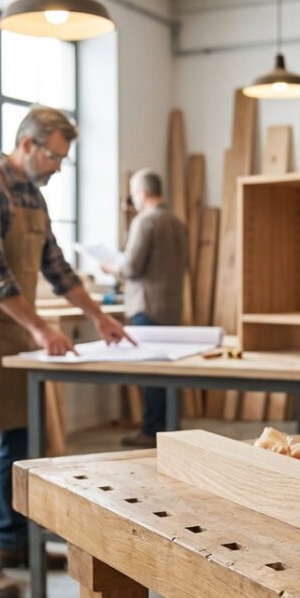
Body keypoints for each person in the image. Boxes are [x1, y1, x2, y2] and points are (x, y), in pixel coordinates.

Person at [0, 106, 133, 598]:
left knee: (17, 446)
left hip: (14, 332)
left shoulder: (31, 195)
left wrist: (99, 316)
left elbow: (57, 267)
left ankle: (13, 544)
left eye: (63, 159)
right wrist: (41, 327)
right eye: (53, 156)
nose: (57, 167)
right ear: (27, 145)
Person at [101, 169, 189, 448]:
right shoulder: (177, 222)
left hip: (147, 306)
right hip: (171, 306)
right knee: (167, 372)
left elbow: (131, 267)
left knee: (151, 372)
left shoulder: (144, 222)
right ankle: (167, 428)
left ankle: (151, 431)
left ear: (142, 192)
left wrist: (109, 267)